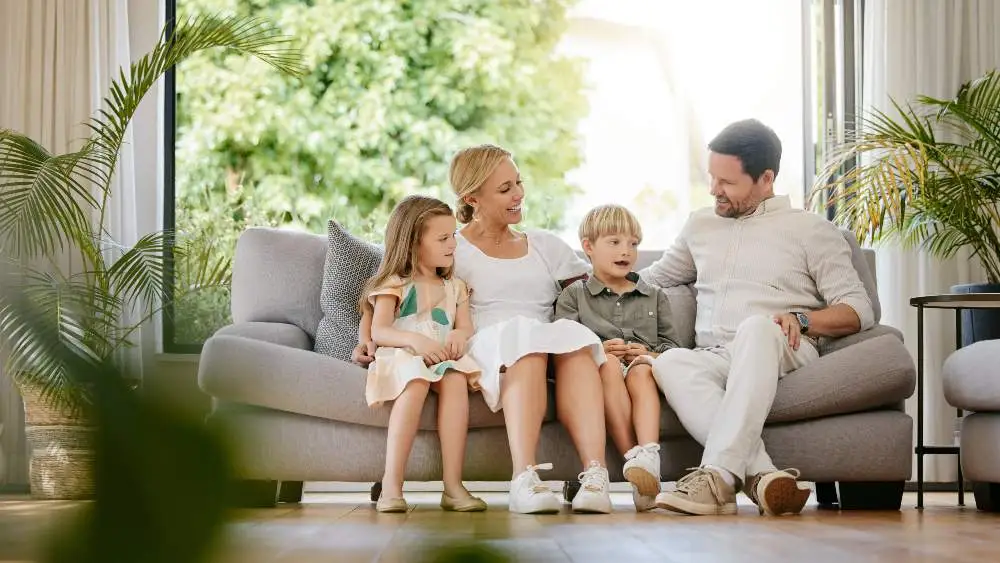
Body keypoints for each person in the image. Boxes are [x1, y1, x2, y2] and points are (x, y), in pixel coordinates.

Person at [355, 145, 614, 515]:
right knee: (525, 346)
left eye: (519, 183)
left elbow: (596, 294)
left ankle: (594, 475)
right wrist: (366, 339)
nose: (519, 194)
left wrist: (616, 336)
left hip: (544, 335)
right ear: (472, 198)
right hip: (489, 341)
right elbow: (387, 287)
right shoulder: (447, 246)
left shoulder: (544, 245)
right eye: (505, 188)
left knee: (575, 345)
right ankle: (524, 478)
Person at [642, 119, 875, 517]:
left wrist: (801, 319)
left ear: (766, 178)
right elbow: (652, 279)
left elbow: (859, 309)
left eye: (727, 182)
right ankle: (764, 477)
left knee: (756, 326)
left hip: (783, 347)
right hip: (716, 355)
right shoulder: (700, 224)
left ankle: (715, 476)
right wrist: (569, 281)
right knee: (669, 360)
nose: (714, 190)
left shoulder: (810, 230)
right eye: (712, 178)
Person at [360, 195, 487, 513]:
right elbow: (380, 331)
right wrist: (415, 342)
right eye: (443, 238)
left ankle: (453, 486)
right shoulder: (395, 283)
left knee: (456, 380)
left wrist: (458, 334)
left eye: (453, 236)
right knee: (415, 383)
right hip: (405, 356)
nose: (453, 245)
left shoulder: (455, 286)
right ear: (414, 243)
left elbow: (465, 327)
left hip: (442, 356)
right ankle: (391, 485)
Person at [554, 204, 680, 512]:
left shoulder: (655, 296)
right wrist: (598, 348)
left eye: (633, 243)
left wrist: (648, 353)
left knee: (641, 371)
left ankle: (648, 456)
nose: (626, 251)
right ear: (588, 247)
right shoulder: (574, 296)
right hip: (602, 371)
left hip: (643, 370)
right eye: (614, 242)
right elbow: (563, 343)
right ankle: (636, 468)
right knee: (609, 365)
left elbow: (673, 347)